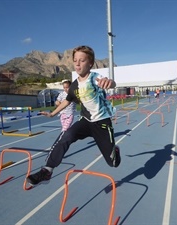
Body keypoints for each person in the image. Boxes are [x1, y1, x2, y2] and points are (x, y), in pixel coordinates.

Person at [27, 45, 121, 186]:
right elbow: (67, 101)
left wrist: (110, 82)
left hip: (102, 123)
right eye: (75, 60)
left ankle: (115, 151)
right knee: (67, 136)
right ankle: (47, 170)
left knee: (113, 163)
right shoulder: (74, 86)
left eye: (82, 60)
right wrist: (52, 113)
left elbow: (111, 83)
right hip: (85, 121)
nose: (77, 63)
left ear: (90, 63)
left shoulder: (95, 78)